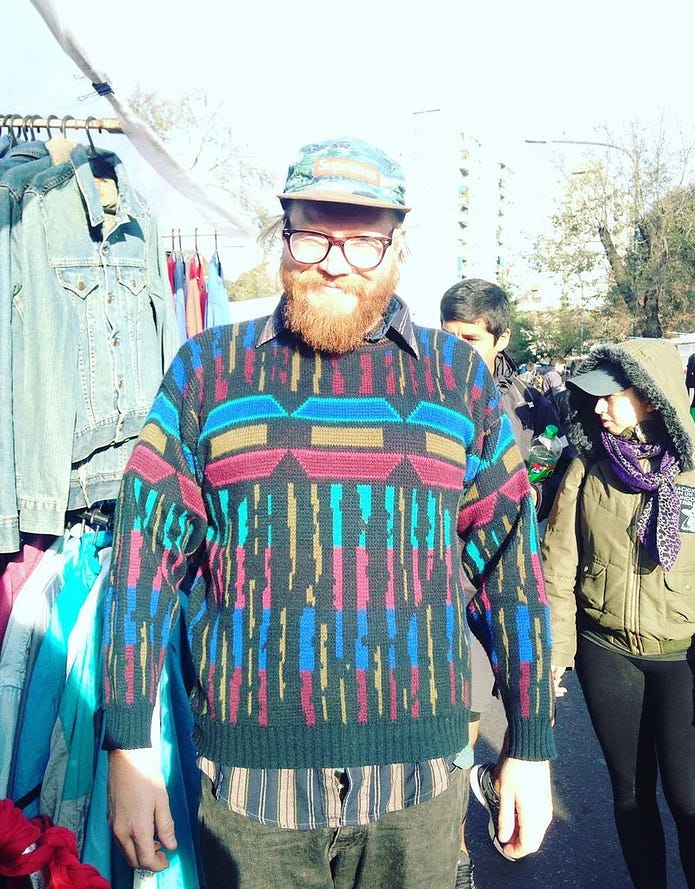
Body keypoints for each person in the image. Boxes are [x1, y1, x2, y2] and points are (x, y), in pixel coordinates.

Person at [103, 137, 555, 889]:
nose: (336, 259)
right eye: (313, 232)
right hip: (252, 799)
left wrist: (531, 743)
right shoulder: (206, 372)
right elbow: (140, 562)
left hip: (419, 786)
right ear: (284, 236)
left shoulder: (458, 382)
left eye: (364, 240)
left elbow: (513, 571)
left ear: (398, 246)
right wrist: (129, 743)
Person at [542, 338, 695, 889]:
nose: (596, 407)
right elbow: (557, 565)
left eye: (609, 396)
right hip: (609, 653)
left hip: (689, 658)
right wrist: (556, 652)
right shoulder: (586, 468)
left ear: (651, 396)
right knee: (632, 794)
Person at [439, 278, 571, 884]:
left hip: (511, 574)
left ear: (500, 338)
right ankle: (452, 838)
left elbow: (553, 452)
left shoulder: (523, 401)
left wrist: (541, 467)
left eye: (470, 339)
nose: (458, 350)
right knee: (457, 709)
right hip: (446, 587)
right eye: (449, 336)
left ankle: (500, 776)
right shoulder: (425, 394)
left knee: (516, 691)